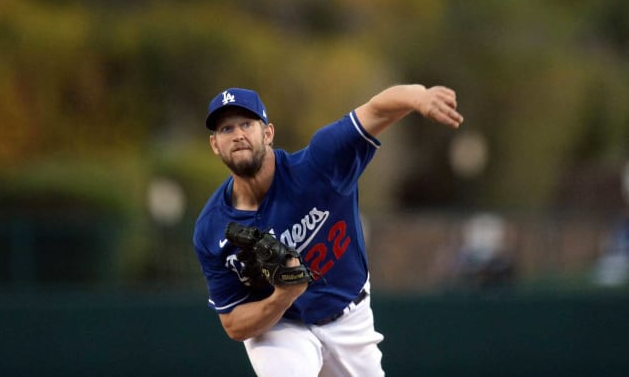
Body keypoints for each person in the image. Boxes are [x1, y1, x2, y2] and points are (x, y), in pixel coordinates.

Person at [193, 84, 464, 376]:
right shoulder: (212, 229)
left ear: (268, 133)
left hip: (349, 315)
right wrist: (282, 297)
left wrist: (418, 98)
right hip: (282, 326)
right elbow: (233, 323)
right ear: (215, 144)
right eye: (226, 129)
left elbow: (375, 110)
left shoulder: (320, 164)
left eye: (246, 123)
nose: (237, 135)